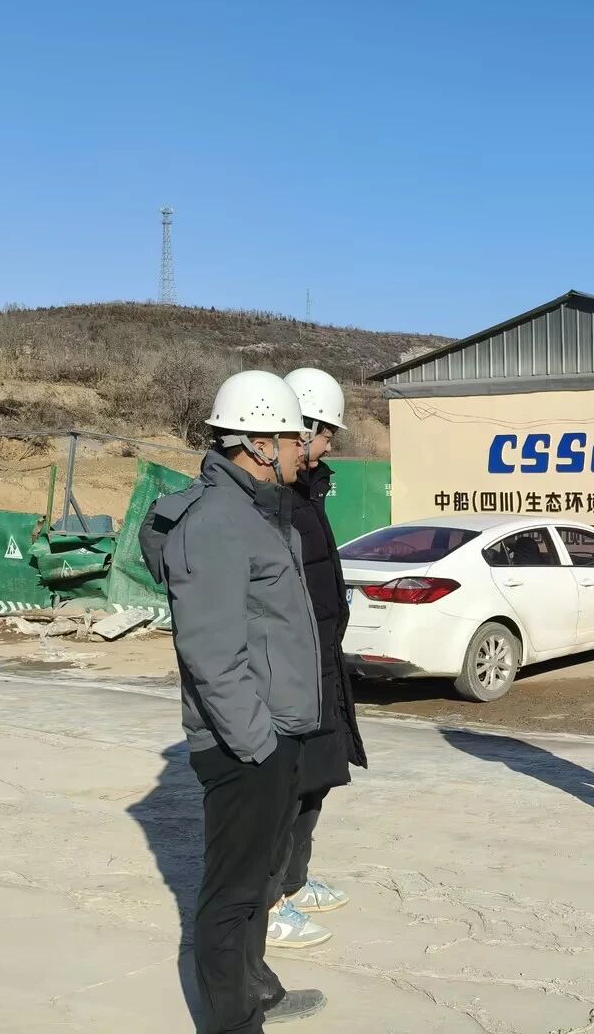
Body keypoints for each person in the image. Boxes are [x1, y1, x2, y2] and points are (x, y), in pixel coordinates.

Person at [141, 370, 326, 1031]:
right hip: (243, 743)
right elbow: (210, 650)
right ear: (257, 442)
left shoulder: (255, 512)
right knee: (231, 896)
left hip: (275, 733)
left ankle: (256, 992)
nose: (305, 450)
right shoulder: (216, 520)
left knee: (257, 888)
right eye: (293, 438)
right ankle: (232, 1023)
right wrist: (257, 744)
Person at [264, 368, 367, 950]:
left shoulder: (307, 491)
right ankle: (269, 902)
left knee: (317, 778)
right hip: (291, 666)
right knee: (284, 788)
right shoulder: (272, 500)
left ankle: (294, 882)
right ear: (300, 429)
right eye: (327, 433)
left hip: (322, 657)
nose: (330, 446)